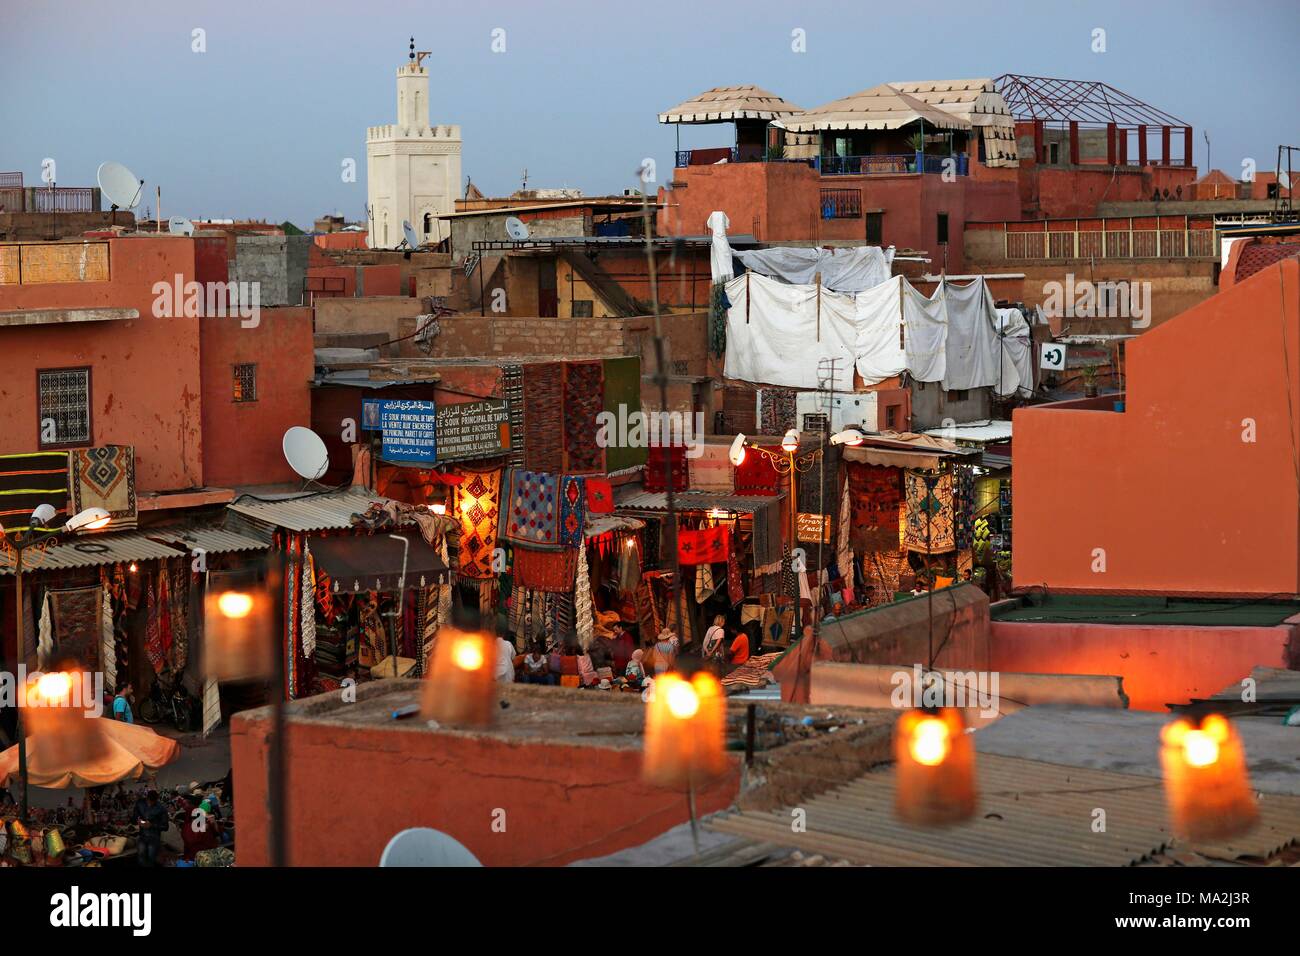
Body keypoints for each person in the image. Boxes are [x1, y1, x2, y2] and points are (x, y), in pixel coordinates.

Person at [181, 793, 220, 862]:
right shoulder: (188, 820)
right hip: (198, 856)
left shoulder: (199, 817)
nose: (182, 807)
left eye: (184, 804)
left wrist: (214, 823)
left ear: (192, 805)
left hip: (205, 856)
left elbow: (215, 834)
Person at [136, 790, 168, 867]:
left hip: (154, 838)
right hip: (142, 835)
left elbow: (165, 827)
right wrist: (139, 821)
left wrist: (152, 825)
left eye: (152, 801)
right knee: (141, 856)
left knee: (151, 857)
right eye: (148, 801)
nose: (150, 803)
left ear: (156, 800)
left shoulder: (161, 809)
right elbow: (137, 817)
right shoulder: (142, 805)